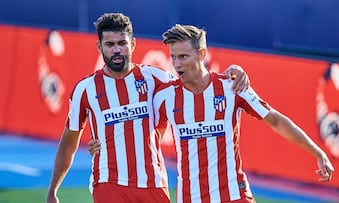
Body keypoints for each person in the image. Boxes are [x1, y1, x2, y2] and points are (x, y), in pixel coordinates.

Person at [46, 13, 249, 203]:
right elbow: (69, 142)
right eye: (109, 44)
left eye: (122, 43)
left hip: (153, 183)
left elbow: (197, 82)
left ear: (133, 44)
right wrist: (52, 190)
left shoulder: (156, 78)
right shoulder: (85, 89)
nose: (116, 49)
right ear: (99, 46)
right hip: (109, 182)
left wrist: (234, 72)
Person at [151, 24, 334, 202]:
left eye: (183, 56)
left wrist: (318, 153)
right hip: (191, 197)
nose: (176, 63)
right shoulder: (165, 96)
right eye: (173, 57)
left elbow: (276, 121)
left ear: (202, 54)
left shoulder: (232, 86)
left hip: (234, 196)